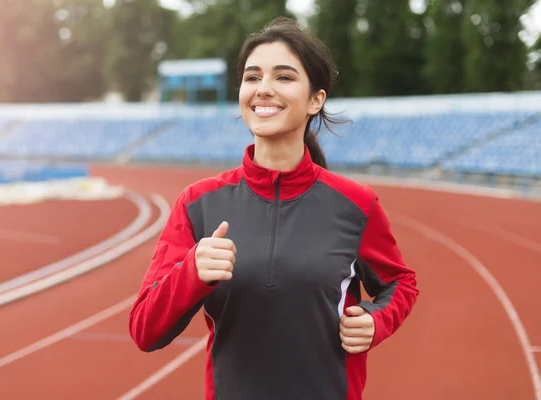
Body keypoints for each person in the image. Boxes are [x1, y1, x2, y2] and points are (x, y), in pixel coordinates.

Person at [128, 17, 419, 400]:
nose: (263, 89)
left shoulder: (356, 204)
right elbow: (144, 330)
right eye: (252, 78)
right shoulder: (198, 203)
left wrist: (375, 321)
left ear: (316, 99)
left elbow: (400, 283)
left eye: (283, 77)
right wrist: (192, 271)